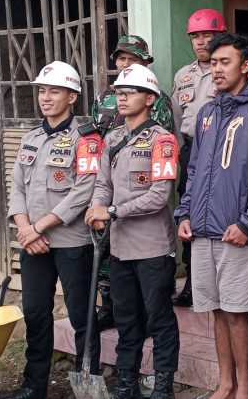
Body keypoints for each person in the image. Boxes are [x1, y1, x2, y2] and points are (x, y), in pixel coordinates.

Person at [176, 33, 248, 399]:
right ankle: (226, 383)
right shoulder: (206, 113)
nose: (216, 70)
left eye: (224, 62)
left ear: (246, 66)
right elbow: (196, 170)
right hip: (202, 231)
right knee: (215, 311)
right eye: (213, 63)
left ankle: (245, 386)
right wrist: (184, 213)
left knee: (237, 313)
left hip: (236, 231)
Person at [5, 62, 103, 399]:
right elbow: (16, 186)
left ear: (72, 96)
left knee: (82, 318)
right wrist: (24, 228)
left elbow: (85, 190)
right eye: (42, 91)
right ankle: (34, 386)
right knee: (35, 314)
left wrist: (38, 227)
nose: (46, 98)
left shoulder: (87, 138)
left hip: (71, 242)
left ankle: (87, 387)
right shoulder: (30, 138)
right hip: (34, 244)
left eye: (54, 91)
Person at [86, 63, 180, 399]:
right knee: (126, 321)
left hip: (153, 248)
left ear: (150, 98)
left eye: (130, 93)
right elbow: (102, 184)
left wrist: (110, 211)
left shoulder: (162, 141)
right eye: (118, 93)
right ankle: (126, 384)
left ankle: (164, 384)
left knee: (159, 319)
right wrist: (97, 208)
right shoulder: (111, 139)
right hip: (121, 248)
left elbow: (158, 197)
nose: (122, 98)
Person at [90, 33, 172, 327]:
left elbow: (159, 190)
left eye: (131, 59)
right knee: (111, 271)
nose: (124, 64)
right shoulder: (104, 102)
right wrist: (99, 204)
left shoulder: (160, 118)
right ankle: (109, 305)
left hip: (144, 210)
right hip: (112, 181)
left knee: (156, 312)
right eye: (120, 59)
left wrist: (111, 210)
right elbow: (99, 152)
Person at [171, 9, 227, 308]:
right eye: (196, 36)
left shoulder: (229, 70)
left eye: (208, 35)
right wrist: (184, 151)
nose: (201, 41)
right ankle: (192, 283)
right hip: (192, 149)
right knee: (188, 213)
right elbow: (178, 119)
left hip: (223, 149)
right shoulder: (184, 75)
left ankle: (223, 282)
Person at [92, 34, 173, 136]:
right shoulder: (103, 98)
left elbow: (162, 141)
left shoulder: (157, 99)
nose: (126, 64)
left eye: (134, 59)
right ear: (116, 62)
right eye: (122, 59)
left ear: (145, 62)